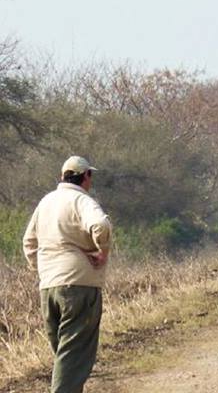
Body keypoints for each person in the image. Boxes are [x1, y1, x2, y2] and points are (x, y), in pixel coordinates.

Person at [22, 155, 112, 393]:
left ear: (63, 176)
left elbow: (28, 243)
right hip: (79, 285)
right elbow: (101, 225)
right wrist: (102, 252)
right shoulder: (81, 200)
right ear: (86, 176)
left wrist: (42, 268)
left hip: (49, 286)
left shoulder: (46, 202)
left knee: (65, 355)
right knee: (73, 355)